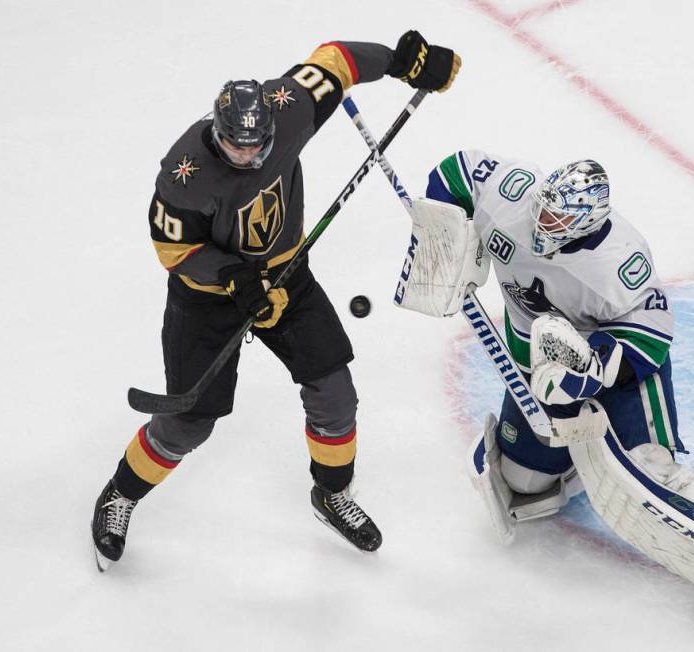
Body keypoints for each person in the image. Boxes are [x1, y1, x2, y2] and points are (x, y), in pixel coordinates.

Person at [90, 32, 461, 570]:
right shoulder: (182, 173)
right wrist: (231, 278)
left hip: (287, 277)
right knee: (191, 421)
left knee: (335, 392)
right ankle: (121, 494)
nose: (249, 154)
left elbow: (335, 60)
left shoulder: (285, 112)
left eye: (257, 146)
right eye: (237, 146)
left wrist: (404, 63)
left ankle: (331, 493)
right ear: (217, 134)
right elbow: (173, 248)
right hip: (207, 300)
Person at [400, 151, 694, 633]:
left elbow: (651, 336)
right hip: (538, 356)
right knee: (524, 487)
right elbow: (454, 172)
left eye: (558, 218)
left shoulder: (618, 261)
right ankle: (573, 462)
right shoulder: (511, 193)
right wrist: (448, 237)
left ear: (586, 222)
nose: (543, 221)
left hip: (620, 368)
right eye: (543, 209)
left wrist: (593, 371)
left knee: (653, 472)